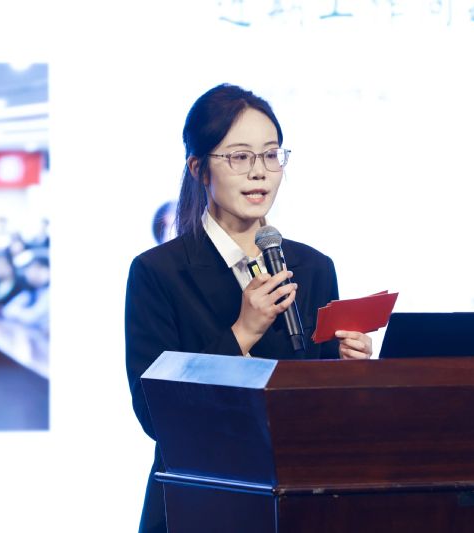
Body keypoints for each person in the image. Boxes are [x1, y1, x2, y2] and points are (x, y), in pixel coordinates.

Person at [125, 84, 373, 533]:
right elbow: (153, 414)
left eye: (271, 155)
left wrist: (348, 372)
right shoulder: (159, 272)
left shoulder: (314, 267)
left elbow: (325, 416)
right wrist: (242, 333)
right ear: (199, 168)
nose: (259, 172)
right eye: (239, 157)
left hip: (298, 506)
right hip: (196, 505)